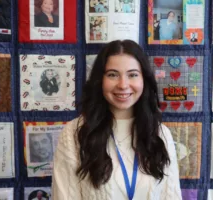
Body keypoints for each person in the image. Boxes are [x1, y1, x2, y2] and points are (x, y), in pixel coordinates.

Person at [52, 40, 182, 200]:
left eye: (132, 74)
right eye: (112, 74)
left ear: (144, 80)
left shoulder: (160, 134)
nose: (123, 85)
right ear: (100, 80)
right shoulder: (74, 134)